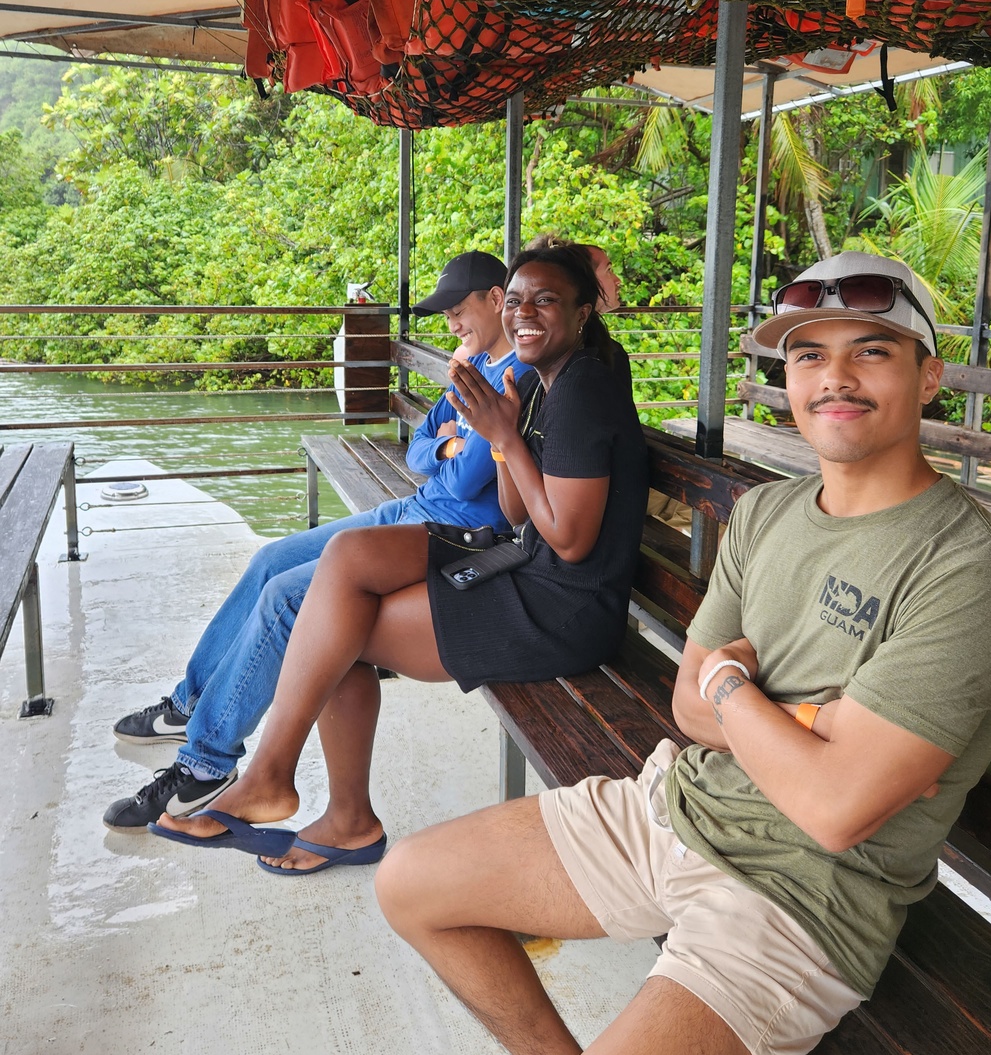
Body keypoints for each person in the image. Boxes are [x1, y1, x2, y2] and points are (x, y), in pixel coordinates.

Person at [373, 251, 991, 1055]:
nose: (834, 377)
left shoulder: (962, 561)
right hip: (674, 802)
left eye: (872, 352)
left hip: (797, 898)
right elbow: (688, 703)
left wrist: (734, 684)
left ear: (929, 377)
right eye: (810, 355)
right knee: (409, 884)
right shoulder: (770, 510)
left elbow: (836, 807)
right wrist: (803, 721)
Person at [148, 245, 647, 874]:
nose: (524, 313)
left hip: (561, 608)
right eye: (516, 299)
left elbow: (570, 543)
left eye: (545, 300)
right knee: (348, 559)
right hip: (524, 563)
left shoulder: (584, 391)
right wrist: (505, 439)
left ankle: (308, 798)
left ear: (582, 313)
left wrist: (502, 440)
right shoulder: (546, 381)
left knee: (334, 629)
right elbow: (520, 514)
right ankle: (295, 790)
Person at [104, 250, 528, 831]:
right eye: (446, 313)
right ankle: (190, 703)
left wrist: (448, 447)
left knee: (289, 595)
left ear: (496, 299)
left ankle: (206, 762)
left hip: (455, 533)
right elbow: (419, 449)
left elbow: (457, 475)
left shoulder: (512, 378)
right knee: (271, 559)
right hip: (413, 506)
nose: (451, 323)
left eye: (458, 309)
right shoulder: (473, 365)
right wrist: (448, 442)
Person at [526, 233, 630, 391]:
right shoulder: (604, 355)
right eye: (608, 270)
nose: (617, 280)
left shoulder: (544, 345)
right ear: (585, 279)